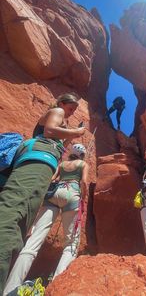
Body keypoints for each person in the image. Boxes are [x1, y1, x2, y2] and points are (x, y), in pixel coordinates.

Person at [0, 92, 86, 295]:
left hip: (46, 166)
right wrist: (76, 130)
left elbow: (58, 144)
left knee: (23, 225)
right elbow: (49, 131)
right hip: (39, 159)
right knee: (15, 215)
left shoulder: (62, 133)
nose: (71, 112)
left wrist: (69, 136)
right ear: (63, 103)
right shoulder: (56, 110)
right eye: (71, 108)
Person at [4, 143, 89, 295]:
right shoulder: (83, 164)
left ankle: (10, 288)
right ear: (82, 155)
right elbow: (83, 181)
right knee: (71, 244)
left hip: (55, 194)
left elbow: (53, 178)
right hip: (72, 194)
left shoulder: (63, 164)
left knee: (33, 242)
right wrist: (84, 194)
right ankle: (57, 287)